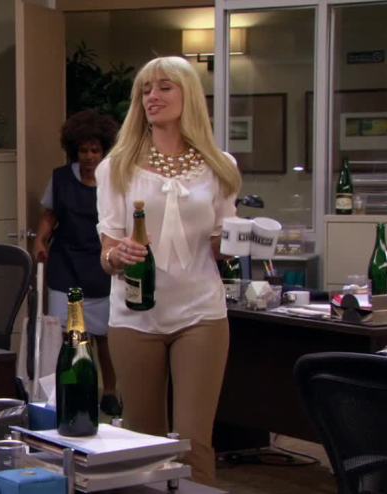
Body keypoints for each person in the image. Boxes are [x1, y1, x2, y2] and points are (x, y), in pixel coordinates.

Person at [95, 56, 242, 485]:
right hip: (136, 316)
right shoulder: (116, 167)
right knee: (142, 441)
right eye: (145, 90)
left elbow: (222, 245)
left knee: (194, 442)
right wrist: (118, 257)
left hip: (201, 312)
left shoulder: (220, 165)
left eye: (164, 87)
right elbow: (106, 253)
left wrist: (242, 241)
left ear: (187, 95)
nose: (152, 97)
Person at [32, 109, 121, 416]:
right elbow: (50, 214)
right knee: (64, 334)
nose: (89, 156)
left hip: (100, 264)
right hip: (65, 263)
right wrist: (40, 240)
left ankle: (110, 390)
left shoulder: (113, 180)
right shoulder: (60, 178)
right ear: (74, 150)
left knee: (103, 337)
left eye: (95, 150)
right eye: (83, 150)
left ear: (104, 151)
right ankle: (66, 390)